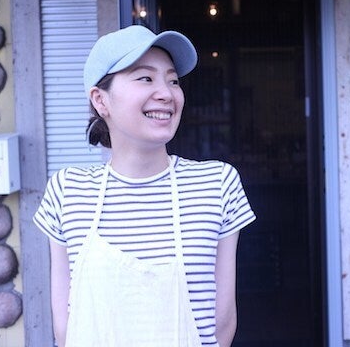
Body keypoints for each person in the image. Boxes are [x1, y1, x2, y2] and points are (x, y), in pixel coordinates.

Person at [33, 25, 256, 347]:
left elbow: (222, 321)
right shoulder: (67, 190)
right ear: (100, 100)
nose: (166, 93)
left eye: (173, 81)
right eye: (145, 78)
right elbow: (65, 325)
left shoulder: (217, 183)